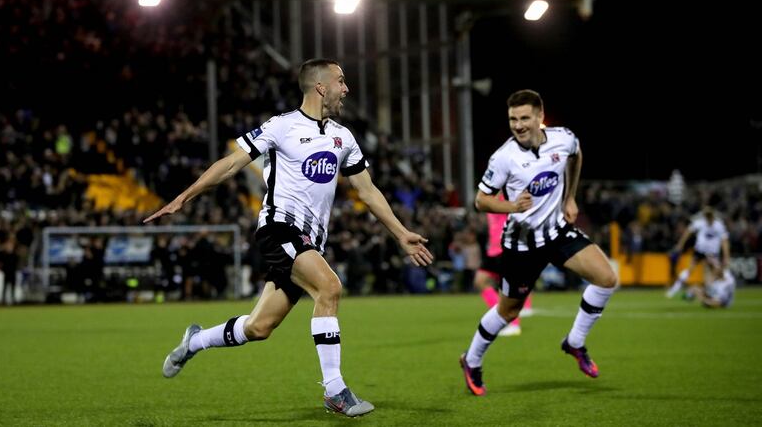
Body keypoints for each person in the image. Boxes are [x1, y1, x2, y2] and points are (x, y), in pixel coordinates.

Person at [144, 58, 434, 417]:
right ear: (320, 87)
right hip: (278, 228)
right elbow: (232, 163)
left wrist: (401, 233)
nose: (346, 89)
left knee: (259, 327)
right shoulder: (281, 127)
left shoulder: (344, 137)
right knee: (330, 287)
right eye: (341, 82)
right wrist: (183, 198)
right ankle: (335, 390)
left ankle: (196, 341)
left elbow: (369, 191)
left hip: (310, 241)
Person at [459, 89, 618, 396]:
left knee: (606, 278)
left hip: (557, 232)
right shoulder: (503, 157)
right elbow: (481, 200)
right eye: (512, 119)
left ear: (540, 118)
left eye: (524, 118)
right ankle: (472, 360)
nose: (518, 125)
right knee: (509, 311)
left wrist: (570, 196)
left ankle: (574, 343)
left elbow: (577, 154)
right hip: (521, 244)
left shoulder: (563, 138)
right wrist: (511, 207)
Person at [472, 195, 533, 337]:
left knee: (507, 288)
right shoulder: (487, 198)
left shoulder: (507, 197)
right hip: (493, 250)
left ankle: (513, 324)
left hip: (504, 247)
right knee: (480, 281)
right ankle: (502, 316)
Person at [666, 206, 730, 298]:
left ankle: (709, 292)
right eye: (707, 217)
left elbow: (725, 241)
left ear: (712, 216)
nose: (708, 219)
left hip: (712, 253)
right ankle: (675, 288)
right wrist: (680, 244)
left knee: (714, 272)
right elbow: (688, 232)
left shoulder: (719, 225)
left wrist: (726, 256)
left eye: (709, 217)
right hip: (700, 251)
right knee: (690, 269)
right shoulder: (700, 223)